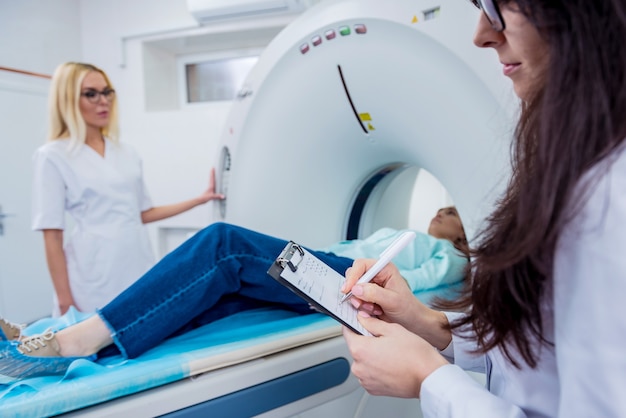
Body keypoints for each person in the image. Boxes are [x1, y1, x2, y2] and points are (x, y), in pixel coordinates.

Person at [340, 0, 626, 416]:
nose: (481, 34)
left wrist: (428, 377)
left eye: (496, 6)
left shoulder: (610, 197)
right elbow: (539, 353)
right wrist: (424, 321)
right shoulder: (576, 166)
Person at [0, 207, 468, 379]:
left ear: (461, 236)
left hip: (353, 276)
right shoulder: (408, 230)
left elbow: (417, 285)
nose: (443, 210)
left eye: (452, 211)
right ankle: (66, 337)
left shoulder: (449, 253)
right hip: (331, 259)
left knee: (222, 245)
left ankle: (72, 339)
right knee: (220, 296)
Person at [32, 62, 224, 316]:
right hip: (93, 269)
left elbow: (142, 213)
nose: (104, 101)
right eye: (91, 94)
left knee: (143, 329)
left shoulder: (125, 152)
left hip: (137, 258)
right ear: (67, 100)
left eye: (107, 92)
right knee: (96, 343)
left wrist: (199, 200)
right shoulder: (53, 156)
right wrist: (64, 298)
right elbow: (52, 235)